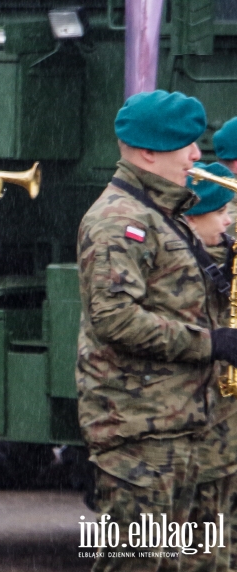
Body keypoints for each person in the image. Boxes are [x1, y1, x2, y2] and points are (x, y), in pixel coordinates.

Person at [77, 90, 237, 570]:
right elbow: (115, 318)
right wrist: (213, 343)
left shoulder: (162, 215)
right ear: (149, 153)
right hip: (140, 429)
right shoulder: (119, 219)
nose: (196, 156)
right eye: (186, 145)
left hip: (182, 423)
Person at [183, 162, 237, 572]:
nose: (228, 222)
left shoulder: (217, 250)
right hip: (197, 417)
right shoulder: (183, 260)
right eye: (220, 213)